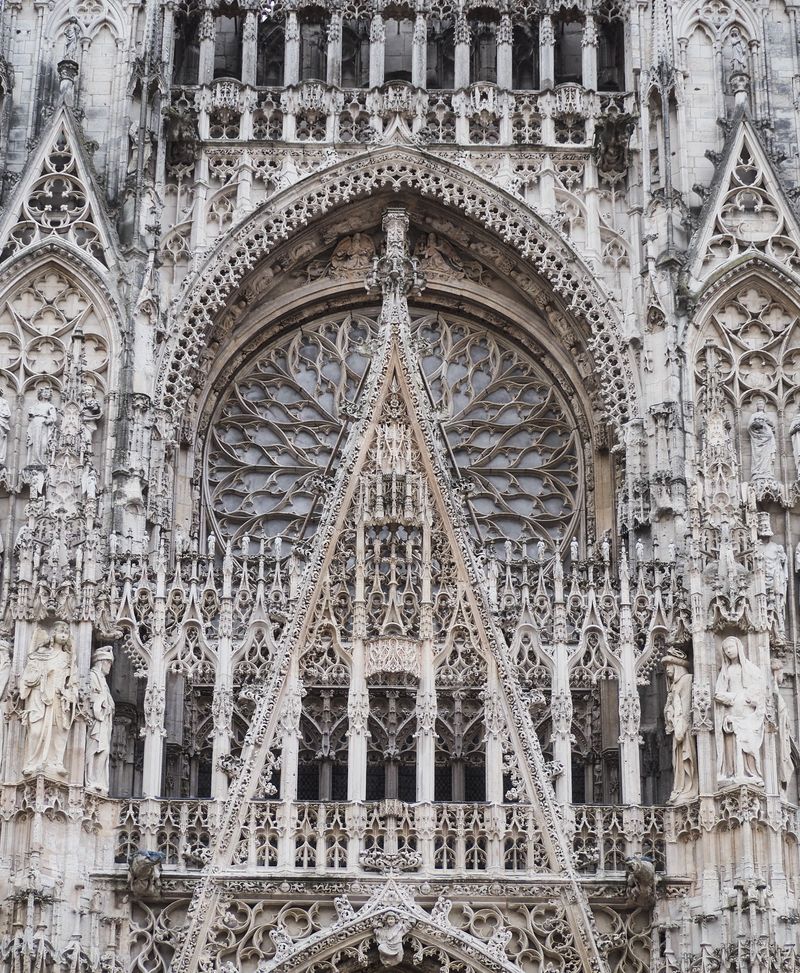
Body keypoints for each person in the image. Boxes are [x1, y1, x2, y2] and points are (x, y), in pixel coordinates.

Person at [19, 622, 76, 777]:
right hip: (39, 697)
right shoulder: (40, 654)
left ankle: (57, 762)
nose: (64, 634)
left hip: (58, 699)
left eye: (66, 632)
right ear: (53, 634)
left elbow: (73, 682)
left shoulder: (68, 658)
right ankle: (32, 763)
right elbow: (27, 677)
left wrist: (69, 692)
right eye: (60, 631)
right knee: (36, 731)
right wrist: (43, 675)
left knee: (59, 731)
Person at [714, 636, 766, 783]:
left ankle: (752, 773)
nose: (729, 651)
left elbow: (760, 689)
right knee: (733, 743)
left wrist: (753, 700)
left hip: (748, 714)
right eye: (726, 649)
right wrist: (734, 697)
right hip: (732, 713)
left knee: (749, 743)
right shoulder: (726, 671)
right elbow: (718, 693)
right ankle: (734, 774)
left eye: (731, 647)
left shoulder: (751, 669)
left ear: (738, 647)